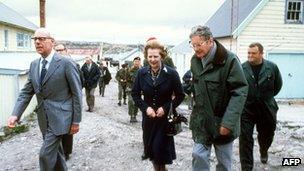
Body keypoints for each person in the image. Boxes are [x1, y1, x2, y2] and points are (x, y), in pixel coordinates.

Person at [7, 28, 82, 170]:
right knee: (57, 154)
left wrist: (76, 121)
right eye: (35, 39)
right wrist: (15, 114)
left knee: (45, 155)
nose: (37, 42)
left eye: (41, 39)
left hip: (61, 118)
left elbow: (77, 93)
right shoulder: (34, 65)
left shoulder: (66, 63)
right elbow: (26, 93)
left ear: (52, 42)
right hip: (44, 119)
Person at [189, 25, 248, 171]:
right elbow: (196, 85)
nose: (196, 49)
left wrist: (228, 123)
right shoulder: (195, 60)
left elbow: (240, 91)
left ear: (210, 40)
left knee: (224, 163)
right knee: (198, 155)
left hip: (223, 122)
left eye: (199, 44)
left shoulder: (229, 60)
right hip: (202, 121)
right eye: (193, 45)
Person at [131, 40, 185, 171]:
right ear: (146, 56)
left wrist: (165, 108)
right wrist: (146, 108)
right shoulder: (141, 73)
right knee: (152, 154)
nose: (153, 59)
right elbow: (135, 94)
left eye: (156, 56)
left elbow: (180, 95)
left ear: (162, 56)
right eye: (150, 56)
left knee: (159, 151)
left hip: (164, 121)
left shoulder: (171, 73)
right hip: (148, 120)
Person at [239, 42, 282, 170]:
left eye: (253, 53)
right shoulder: (242, 68)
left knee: (267, 133)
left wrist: (265, 97)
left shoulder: (272, 67)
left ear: (261, 54)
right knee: (245, 138)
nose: (250, 56)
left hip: (266, 107)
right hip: (247, 107)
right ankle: (246, 167)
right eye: (248, 53)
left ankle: (264, 149)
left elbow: (278, 86)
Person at [54, 43, 80, 160]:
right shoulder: (52, 64)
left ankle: (67, 152)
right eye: (57, 50)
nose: (59, 52)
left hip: (68, 103)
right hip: (54, 103)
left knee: (67, 131)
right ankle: (57, 151)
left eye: (61, 50)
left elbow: (78, 85)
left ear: (66, 50)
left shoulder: (71, 64)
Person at [126, 56, 141, 123]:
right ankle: (131, 115)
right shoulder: (129, 70)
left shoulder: (142, 70)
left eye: (138, 62)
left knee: (136, 103)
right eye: (135, 61)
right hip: (130, 89)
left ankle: (134, 115)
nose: (136, 63)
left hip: (138, 90)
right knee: (130, 102)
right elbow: (127, 79)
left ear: (140, 62)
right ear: (133, 62)